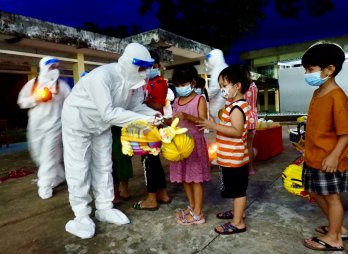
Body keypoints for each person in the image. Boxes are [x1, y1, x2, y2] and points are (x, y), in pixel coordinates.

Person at [61, 42, 161, 239]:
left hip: (101, 126)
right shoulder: (102, 77)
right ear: (128, 64)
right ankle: (81, 214)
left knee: (104, 165)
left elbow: (136, 108)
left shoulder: (135, 84)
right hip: (78, 121)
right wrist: (146, 119)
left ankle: (104, 207)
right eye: (140, 68)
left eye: (146, 68)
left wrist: (156, 115)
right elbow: (108, 113)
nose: (144, 73)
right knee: (79, 167)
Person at [300, 42, 348, 252]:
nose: (307, 74)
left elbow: (345, 132)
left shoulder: (337, 97)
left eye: (310, 70)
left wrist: (334, 156)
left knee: (332, 197)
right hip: (313, 155)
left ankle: (334, 238)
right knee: (314, 191)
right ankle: (339, 228)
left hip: (329, 159)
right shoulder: (319, 92)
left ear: (330, 69)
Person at [197, 64, 251, 235]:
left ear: (237, 86)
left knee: (238, 191)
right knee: (235, 190)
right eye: (220, 86)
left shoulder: (237, 107)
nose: (222, 89)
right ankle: (237, 212)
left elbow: (236, 131)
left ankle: (238, 222)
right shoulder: (234, 105)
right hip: (232, 157)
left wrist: (213, 125)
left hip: (235, 159)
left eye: (224, 85)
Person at [17, 56, 71, 199]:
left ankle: (45, 184)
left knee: (49, 154)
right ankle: (58, 176)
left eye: (55, 67)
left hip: (55, 125)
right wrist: (36, 98)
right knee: (39, 155)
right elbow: (22, 102)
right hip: (36, 126)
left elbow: (71, 103)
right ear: (43, 67)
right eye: (51, 67)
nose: (54, 69)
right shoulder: (32, 84)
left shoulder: (62, 86)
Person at [170, 66, 210, 225]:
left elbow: (203, 121)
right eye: (177, 84)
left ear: (193, 82)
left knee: (196, 180)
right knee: (185, 179)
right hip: (179, 145)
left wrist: (187, 116)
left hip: (194, 144)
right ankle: (192, 206)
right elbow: (174, 120)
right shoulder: (176, 101)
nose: (180, 87)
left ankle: (198, 213)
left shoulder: (199, 99)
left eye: (183, 83)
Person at [132, 50, 171, 211]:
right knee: (154, 163)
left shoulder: (159, 82)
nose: (150, 69)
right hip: (149, 126)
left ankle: (151, 198)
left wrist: (141, 102)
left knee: (148, 162)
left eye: (153, 66)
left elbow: (158, 105)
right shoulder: (146, 81)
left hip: (152, 127)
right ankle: (163, 194)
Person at [111, 125, 133, 206]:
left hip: (115, 125)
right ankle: (123, 190)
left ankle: (117, 192)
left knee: (117, 158)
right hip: (120, 124)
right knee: (123, 156)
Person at [205, 49, 228, 123]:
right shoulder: (224, 67)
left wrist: (204, 96)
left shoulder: (218, 69)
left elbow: (214, 87)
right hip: (223, 104)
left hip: (219, 106)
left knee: (221, 128)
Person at [245, 82, 258, 175]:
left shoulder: (238, 86)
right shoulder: (254, 86)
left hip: (241, 118)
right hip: (253, 118)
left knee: (240, 146)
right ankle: (251, 169)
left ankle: (241, 169)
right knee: (249, 146)